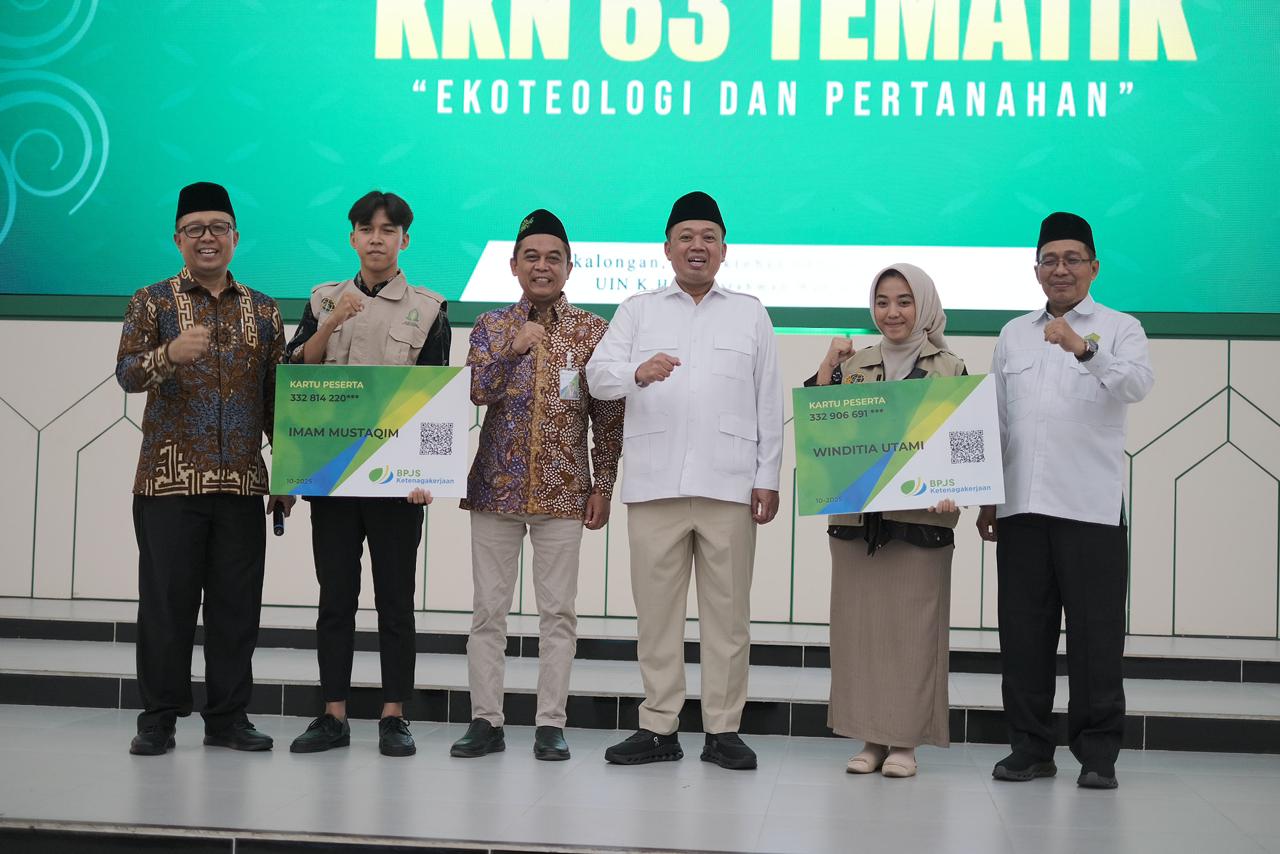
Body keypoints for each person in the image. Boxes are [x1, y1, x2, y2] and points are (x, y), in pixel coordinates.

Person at [586, 191, 783, 771]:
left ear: (724, 249)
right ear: (667, 248)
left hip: (729, 486)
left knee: (729, 617)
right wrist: (637, 371)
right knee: (656, 617)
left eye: (709, 238)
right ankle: (658, 727)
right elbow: (597, 377)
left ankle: (723, 730)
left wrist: (767, 476)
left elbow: (768, 400)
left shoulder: (750, 312)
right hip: (655, 485)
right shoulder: (637, 310)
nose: (698, 246)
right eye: (687, 237)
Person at [978, 212, 1154, 790]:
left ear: (1093, 268)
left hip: (1090, 508)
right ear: (1036, 270)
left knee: (1095, 637)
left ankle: (1098, 754)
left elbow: (1136, 385)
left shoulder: (1120, 328)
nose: (1061, 269)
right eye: (1050, 260)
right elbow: (999, 420)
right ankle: (1030, 748)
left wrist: (1083, 348)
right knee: (1022, 635)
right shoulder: (1013, 334)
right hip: (1021, 507)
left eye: (1072, 259)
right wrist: (987, 496)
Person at [116, 181, 291, 756]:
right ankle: (158, 718)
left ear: (236, 237)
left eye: (218, 228)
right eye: (195, 229)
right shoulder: (152, 301)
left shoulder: (264, 310)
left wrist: (287, 476)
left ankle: (228, 718)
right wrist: (168, 354)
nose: (207, 238)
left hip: (241, 484)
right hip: (167, 484)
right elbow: (127, 374)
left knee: (236, 609)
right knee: (166, 606)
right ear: (178, 239)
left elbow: (276, 400)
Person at [450, 209, 624, 761]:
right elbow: (478, 390)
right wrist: (515, 347)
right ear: (513, 265)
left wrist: (603, 484)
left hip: (564, 492)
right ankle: (486, 721)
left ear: (570, 266)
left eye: (553, 258)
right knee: (488, 613)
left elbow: (608, 418)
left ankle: (551, 723)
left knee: (558, 615)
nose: (542, 266)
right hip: (495, 491)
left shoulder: (593, 331)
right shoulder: (491, 325)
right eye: (532, 257)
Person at [284, 190, 449, 758]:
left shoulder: (428, 308)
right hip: (331, 477)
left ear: (405, 239)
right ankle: (332, 714)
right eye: (366, 228)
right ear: (352, 237)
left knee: (395, 601)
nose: (377, 238)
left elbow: (430, 396)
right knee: (336, 598)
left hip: (397, 484)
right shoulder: (323, 299)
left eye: (388, 230)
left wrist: (428, 472)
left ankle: (394, 715)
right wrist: (331, 322)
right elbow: (296, 374)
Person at [807, 264, 965, 778]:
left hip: (920, 524)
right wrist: (829, 364)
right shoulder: (854, 366)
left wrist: (955, 489)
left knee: (913, 634)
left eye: (904, 301)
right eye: (882, 301)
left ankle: (906, 742)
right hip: (858, 525)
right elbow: (822, 429)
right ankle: (871, 738)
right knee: (861, 634)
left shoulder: (950, 368)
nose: (892, 312)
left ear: (925, 305)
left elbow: (963, 445)